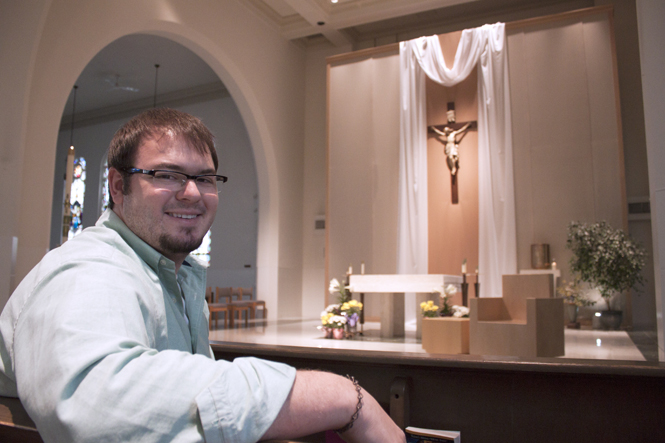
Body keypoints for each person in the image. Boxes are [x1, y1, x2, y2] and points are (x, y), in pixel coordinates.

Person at [0, 108, 405, 443]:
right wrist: (342, 397)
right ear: (118, 186)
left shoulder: (178, 274)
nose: (192, 192)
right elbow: (98, 408)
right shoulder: (86, 270)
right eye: (168, 174)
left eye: (205, 178)